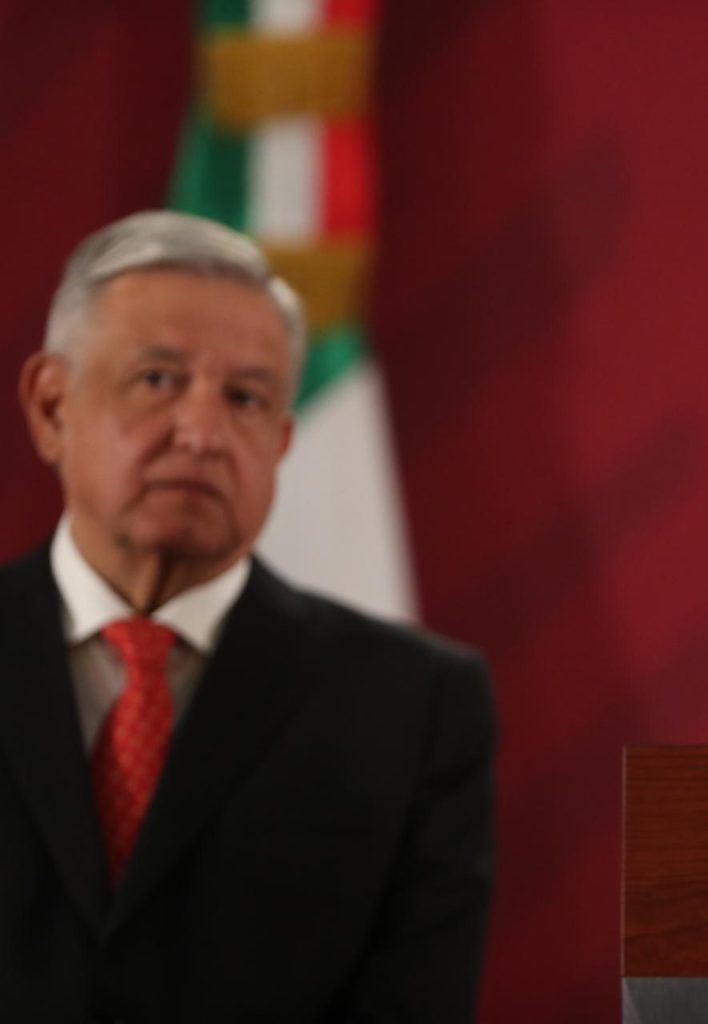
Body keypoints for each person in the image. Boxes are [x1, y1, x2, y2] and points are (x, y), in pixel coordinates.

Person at [0, 211, 496, 1021]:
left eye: (245, 397)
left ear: (282, 440)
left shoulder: (415, 706)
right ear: (52, 405)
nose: (201, 432)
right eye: (158, 380)